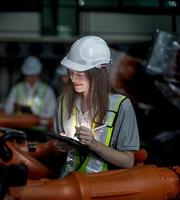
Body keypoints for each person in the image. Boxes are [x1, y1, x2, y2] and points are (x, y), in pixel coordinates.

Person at [53, 36, 140, 175]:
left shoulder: (121, 106)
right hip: (67, 185)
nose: (73, 79)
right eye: (71, 73)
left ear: (100, 72)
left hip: (101, 189)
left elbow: (128, 161)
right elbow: (58, 152)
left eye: (80, 74)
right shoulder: (63, 102)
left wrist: (94, 144)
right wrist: (61, 146)